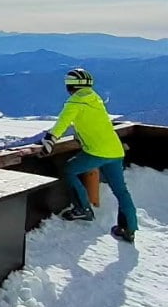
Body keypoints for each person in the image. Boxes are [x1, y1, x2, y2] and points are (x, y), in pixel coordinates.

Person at [40, 68, 138, 244]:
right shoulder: (95, 98)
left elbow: (62, 123)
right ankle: (129, 229)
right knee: (121, 191)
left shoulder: (75, 102)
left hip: (97, 152)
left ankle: (83, 209)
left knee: (69, 170)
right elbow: (93, 123)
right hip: (116, 151)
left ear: (70, 86)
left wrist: (50, 140)